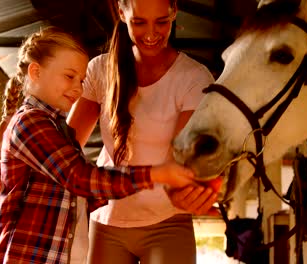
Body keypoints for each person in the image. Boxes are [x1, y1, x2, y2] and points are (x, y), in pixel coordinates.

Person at [0, 26, 196, 264]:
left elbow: (83, 195)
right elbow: (80, 178)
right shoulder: (30, 122)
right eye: (69, 76)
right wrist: (156, 174)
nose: (78, 87)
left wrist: (138, 183)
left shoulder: (58, 130)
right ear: (36, 72)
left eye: (82, 79)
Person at [66, 0, 218, 263]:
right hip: (107, 222)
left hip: (166, 221)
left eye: (161, 21)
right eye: (139, 22)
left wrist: (193, 192)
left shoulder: (194, 78)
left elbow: (179, 161)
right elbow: (65, 148)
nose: (151, 33)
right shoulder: (100, 70)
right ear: (121, 13)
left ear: (174, 11)